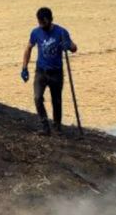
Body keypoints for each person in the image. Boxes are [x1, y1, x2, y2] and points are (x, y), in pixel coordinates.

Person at [21, 7, 77, 136]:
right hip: (41, 71)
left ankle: (57, 127)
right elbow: (28, 48)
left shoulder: (61, 32)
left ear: (50, 19)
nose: (41, 25)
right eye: (39, 22)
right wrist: (24, 67)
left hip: (56, 72)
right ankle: (45, 126)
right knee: (37, 97)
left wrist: (68, 46)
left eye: (44, 22)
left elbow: (74, 48)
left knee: (56, 101)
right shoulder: (36, 32)